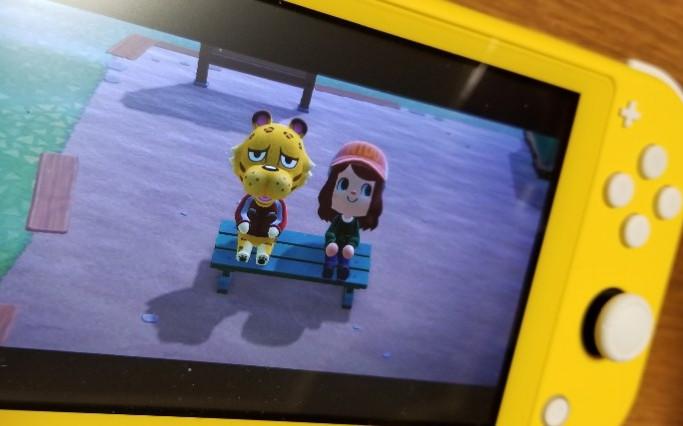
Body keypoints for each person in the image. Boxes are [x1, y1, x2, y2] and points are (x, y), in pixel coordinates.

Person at [317, 141, 387, 280]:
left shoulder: (354, 222)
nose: (353, 193)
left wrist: (351, 245)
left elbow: (355, 236)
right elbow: (331, 231)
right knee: (331, 253)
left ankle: (343, 268)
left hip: (346, 247)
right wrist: (331, 241)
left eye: (366, 190)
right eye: (344, 184)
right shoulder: (338, 219)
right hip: (334, 245)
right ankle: (329, 266)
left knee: (345, 257)